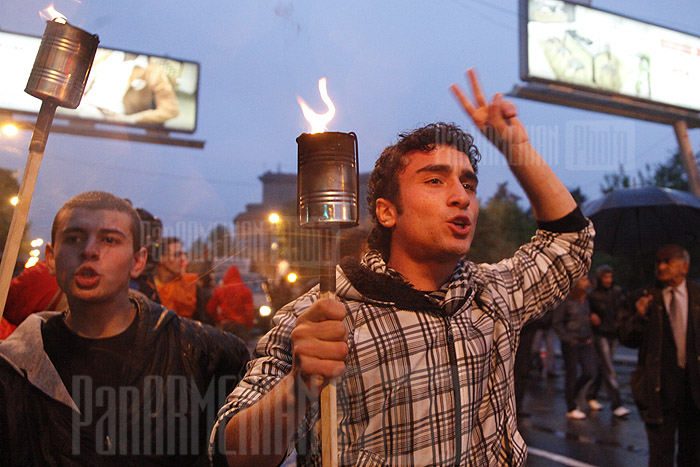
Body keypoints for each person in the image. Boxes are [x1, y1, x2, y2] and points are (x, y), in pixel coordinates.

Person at [210, 69, 593, 466]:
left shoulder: (493, 294)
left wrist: (518, 147)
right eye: (434, 181)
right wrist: (297, 387)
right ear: (387, 212)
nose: (460, 196)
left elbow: (571, 243)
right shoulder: (321, 316)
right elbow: (234, 455)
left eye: (469, 184)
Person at [0, 191, 250, 465]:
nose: (89, 250)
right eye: (74, 238)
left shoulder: (205, 354)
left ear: (138, 261)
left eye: (109, 239)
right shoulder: (14, 368)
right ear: (50, 257)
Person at [618, 244, 700, 466]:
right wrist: (640, 316)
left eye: (668, 261)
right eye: (658, 262)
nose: (661, 266)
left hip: (693, 391)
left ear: (685, 266)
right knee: (660, 456)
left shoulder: (697, 296)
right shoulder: (645, 297)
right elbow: (626, 338)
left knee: (692, 454)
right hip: (658, 389)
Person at [586, 265, 630, 417]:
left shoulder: (616, 292)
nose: (608, 280)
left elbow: (624, 307)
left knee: (603, 366)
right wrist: (591, 316)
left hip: (612, 333)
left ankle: (591, 394)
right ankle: (616, 403)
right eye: (605, 277)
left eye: (610, 277)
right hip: (600, 334)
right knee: (609, 368)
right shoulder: (592, 295)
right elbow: (585, 311)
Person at [552, 276, 598, 420]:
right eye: (583, 280)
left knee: (589, 372)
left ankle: (574, 394)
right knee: (571, 373)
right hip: (572, 341)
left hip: (586, 340)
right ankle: (571, 406)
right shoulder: (567, 300)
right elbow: (557, 322)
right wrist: (568, 339)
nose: (587, 283)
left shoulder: (587, 299)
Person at [155, 236, 211, 324]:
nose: (183, 259)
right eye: (177, 255)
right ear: (161, 258)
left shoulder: (191, 285)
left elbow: (203, 323)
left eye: (183, 254)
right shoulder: (148, 288)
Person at [206, 264, 255, 337]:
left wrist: (218, 319)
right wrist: (248, 325)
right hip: (240, 327)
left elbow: (210, 308)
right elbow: (249, 312)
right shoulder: (246, 291)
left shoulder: (220, 290)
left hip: (224, 325)